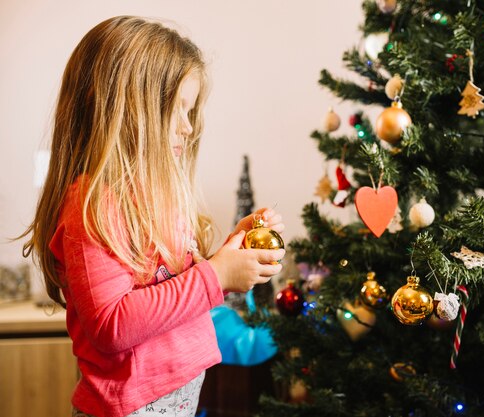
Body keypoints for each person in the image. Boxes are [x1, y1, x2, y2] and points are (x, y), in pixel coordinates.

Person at [20, 16, 285, 417]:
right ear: (125, 109)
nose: (188, 127)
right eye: (177, 109)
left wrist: (228, 259)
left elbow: (173, 293)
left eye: (191, 110)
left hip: (180, 398)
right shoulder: (93, 204)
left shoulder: (157, 198)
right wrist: (216, 276)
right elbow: (112, 325)